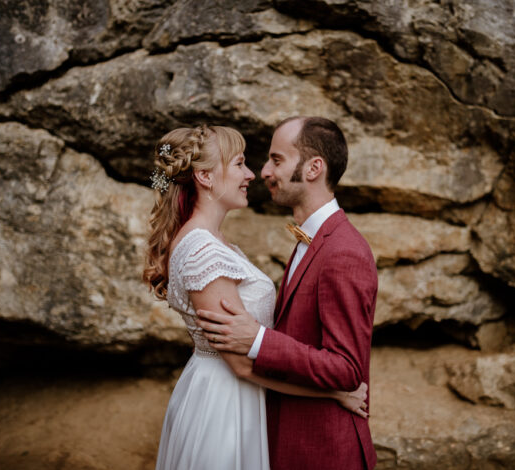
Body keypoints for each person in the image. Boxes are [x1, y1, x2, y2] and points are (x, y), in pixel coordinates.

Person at [142, 125, 369, 470]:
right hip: (224, 407)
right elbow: (240, 363)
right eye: (239, 163)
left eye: (272, 160)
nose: (253, 174)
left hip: (235, 397)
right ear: (204, 176)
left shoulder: (215, 243)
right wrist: (335, 393)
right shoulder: (202, 249)